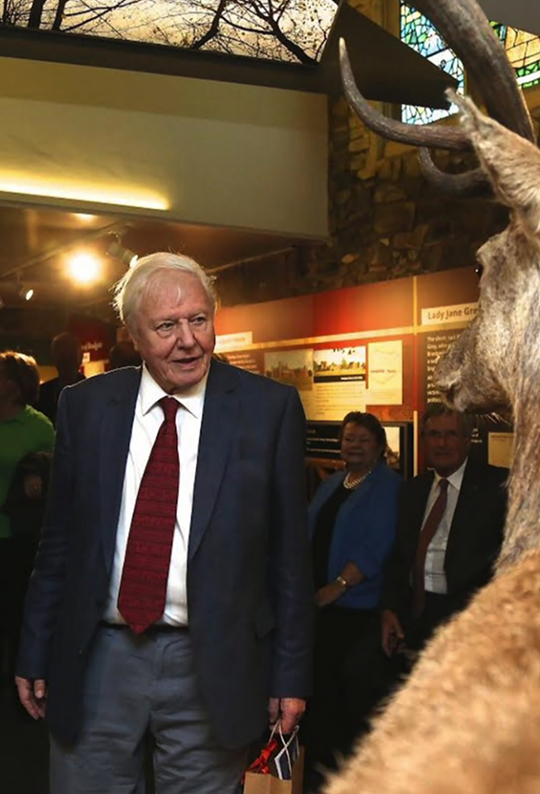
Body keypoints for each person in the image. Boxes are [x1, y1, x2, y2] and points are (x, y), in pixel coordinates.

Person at [15, 252, 314, 794]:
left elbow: (290, 559)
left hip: (214, 661)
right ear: (131, 334)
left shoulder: (268, 410)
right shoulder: (86, 408)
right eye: (167, 326)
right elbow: (58, 542)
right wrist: (34, 648)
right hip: (97, 657)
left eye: (199, 320)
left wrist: (289, 676)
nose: (189, 340)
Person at [346, 404, 508, 742]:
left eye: (451, 434)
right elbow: (398, 557)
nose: (443, 443)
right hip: (412, 613)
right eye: (435, 434)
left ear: (467, 440)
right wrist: (389, 609)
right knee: (357, 678)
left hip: (466, 614)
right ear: (424, 440)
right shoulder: (413, 490)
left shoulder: (496, 488)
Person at [301, 411, 401, 788]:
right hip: (321, 605)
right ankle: (322, 768)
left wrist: (339, 585)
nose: (353, 446)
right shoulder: (335, 482)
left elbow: (377, 546)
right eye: (348, 439)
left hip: (354, 607)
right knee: (321, 687)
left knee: (347, 691)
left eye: (362, 440)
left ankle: (352, 772)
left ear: (378, 446)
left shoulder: (388, 485)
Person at [0, 351, 54, 698]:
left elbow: (58, 477)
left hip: (17, 536)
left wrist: (37, 475)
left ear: (18, 384)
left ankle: (21, 684)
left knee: (17, 614)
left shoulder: (38, 427)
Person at [34, 332, 85, 425]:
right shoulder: (41, 395)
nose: (67, 362)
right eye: (62, 357)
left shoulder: (93, 394)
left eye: (71, 356)